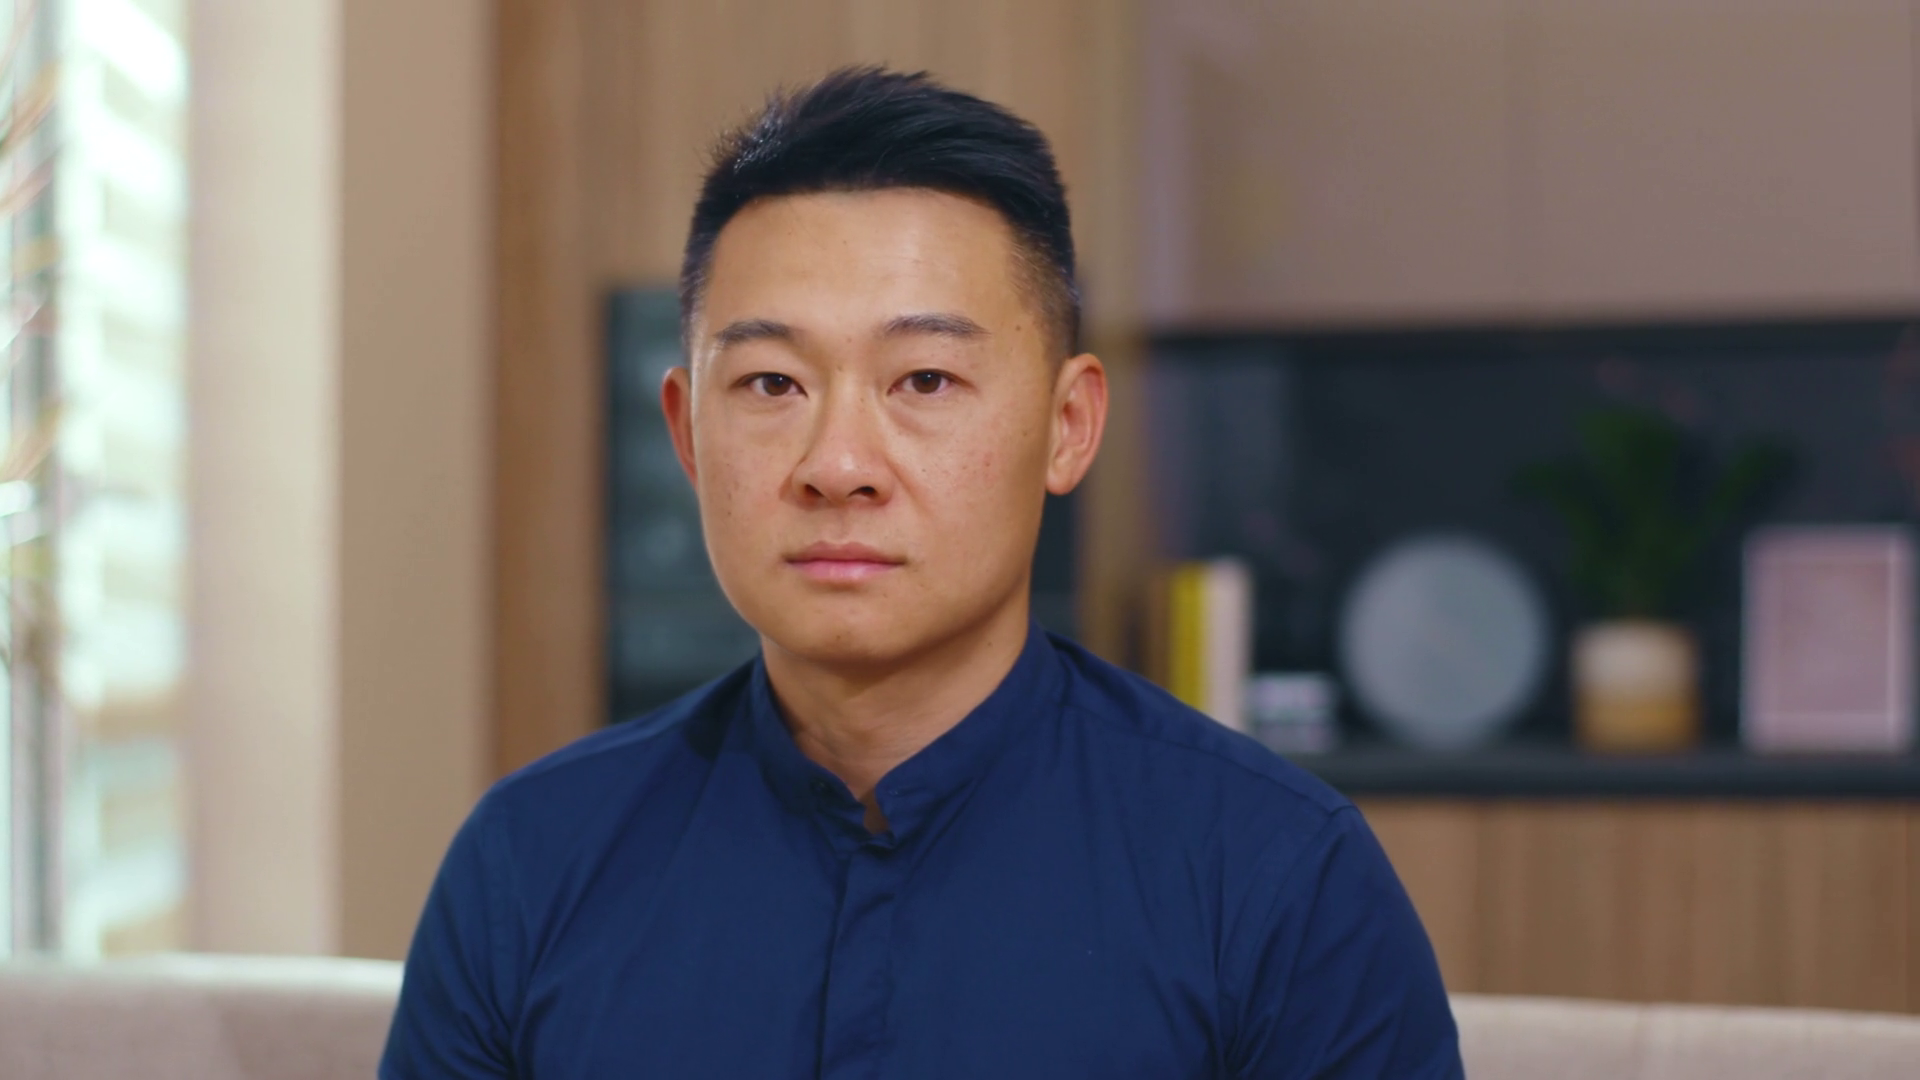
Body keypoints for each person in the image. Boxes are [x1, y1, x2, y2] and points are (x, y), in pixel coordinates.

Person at [382, 66, 1461, 1079]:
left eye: (926, 380)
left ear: (1069, 425)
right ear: (686, 433)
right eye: (771, 383)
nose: (838, 465)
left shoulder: (1278, 878)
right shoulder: (530, 864)